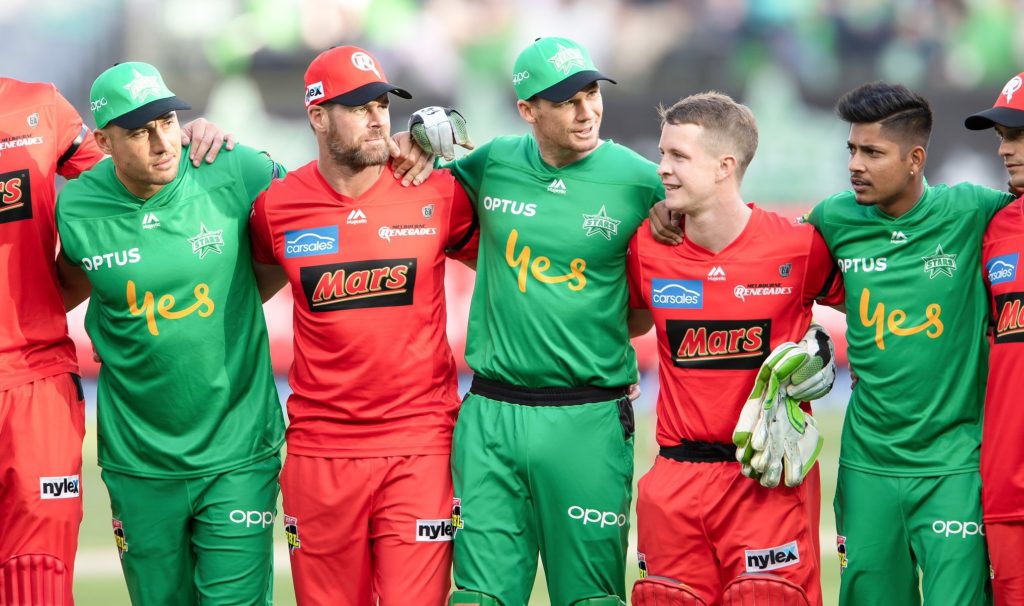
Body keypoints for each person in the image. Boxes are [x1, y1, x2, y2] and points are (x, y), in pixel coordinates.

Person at [413, 36, 664, 606]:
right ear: (528, 110)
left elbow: (699, 244)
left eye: (592, 93)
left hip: (588, 416)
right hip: (491, 416)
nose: (587, 111)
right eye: (567, 100)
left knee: (591, 598)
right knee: (478, 598)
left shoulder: (641, 180)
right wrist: (410, 143)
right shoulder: (493, 162)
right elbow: (419, 186)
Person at [248, 45, 478, 606]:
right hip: (319, 453)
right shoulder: (277, 207)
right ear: (317, 116)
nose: (377, 118)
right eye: (357, 107)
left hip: (420, 446)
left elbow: (518, 266)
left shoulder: (437, 191)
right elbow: (238, 297)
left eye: (381, 104)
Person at [54, 62, 285, 605]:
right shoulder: (77, 207)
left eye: (167, 121)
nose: (162, 142)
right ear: (103, 143)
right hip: (137, 461)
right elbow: (59, 291)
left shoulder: (235, 167)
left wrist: (404, 150)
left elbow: (328, 199)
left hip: (238, 450)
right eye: (139, 132)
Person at [0, 76, 230, 603]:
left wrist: (189, 146)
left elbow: (129, 185)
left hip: (33, 379)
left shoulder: (39, 106)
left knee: (36, 572)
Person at [626, 92, 842, 606]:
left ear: (725, 166)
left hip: (765, 481)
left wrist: (824, 355)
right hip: (674, 482)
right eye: (662, 154)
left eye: (679, 156)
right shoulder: (646, 245)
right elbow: (623, 324)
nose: (662, 169)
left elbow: (875, 303)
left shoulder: (799, 246)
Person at [804, 83, 1012, 605]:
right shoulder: (833, 219)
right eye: (852, 149)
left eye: (872, 153)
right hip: (867, 466)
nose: (855, 165)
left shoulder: (974, 210)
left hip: (955, 468)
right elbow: (760, 254)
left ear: (915, 159)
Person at [965, 71, 1024, 604]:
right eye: (1003, 136)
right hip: (1007, 486)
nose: (1005, 149)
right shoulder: (996, 228)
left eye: (1019, 135)